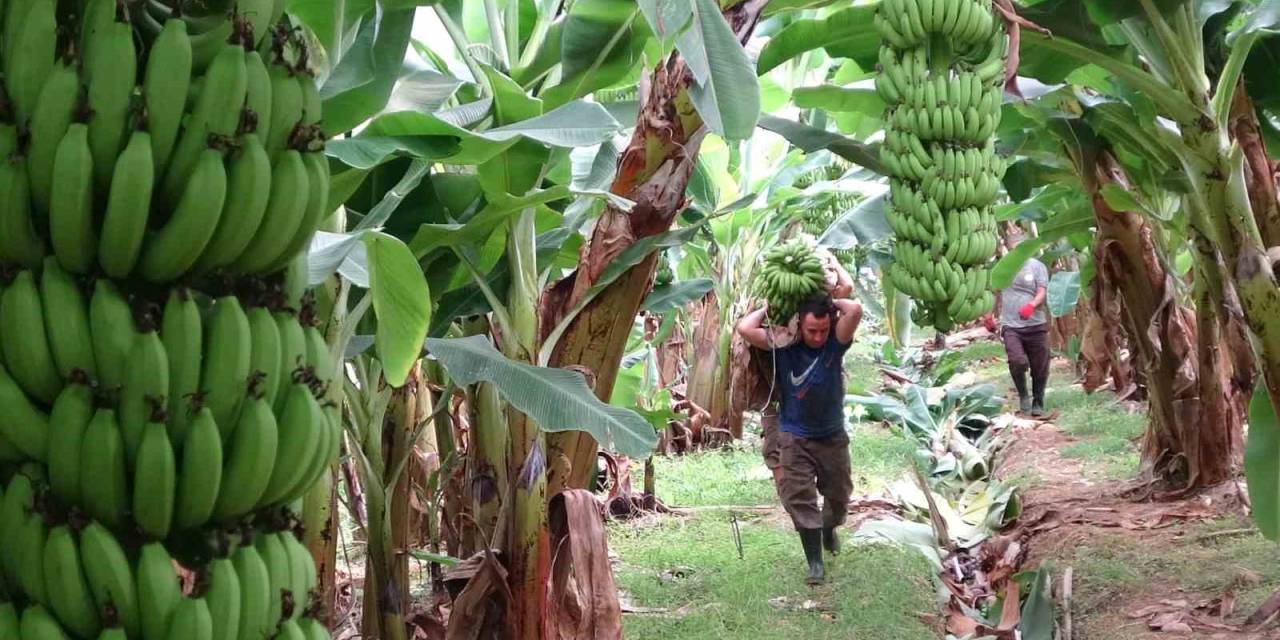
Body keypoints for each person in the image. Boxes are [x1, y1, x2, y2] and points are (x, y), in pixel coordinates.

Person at [737, 290, 862, 585]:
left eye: (822, 330)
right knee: (800, 497)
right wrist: (767, 306)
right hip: (795, 436)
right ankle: (815, 564)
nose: (818, 337)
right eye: (811, 331)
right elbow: (745, 329)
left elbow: (854, 310)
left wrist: (831, 302)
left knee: (839, 494)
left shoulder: (835, 345)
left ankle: (829, 527)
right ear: (798, 326)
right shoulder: (784, 346)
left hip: (832, 435)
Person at [985, 235, 1051, 416]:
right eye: (1014, 246)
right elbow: (995, 292)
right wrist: (988, 315)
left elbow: (1042, 291)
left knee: (1040, 366)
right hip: (1011, 325)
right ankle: (1023, 395)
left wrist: (1032, 305)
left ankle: (1038, 400)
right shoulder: (1004, 267)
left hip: (1036, 325)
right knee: (1016, 360)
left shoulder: (1037, 266)